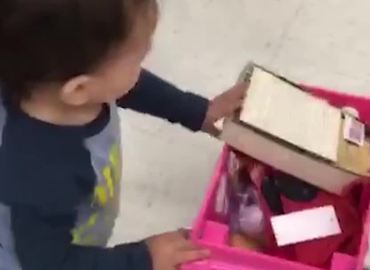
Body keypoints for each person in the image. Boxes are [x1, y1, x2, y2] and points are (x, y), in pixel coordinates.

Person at [0, 0, 246, 269]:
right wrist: (143, 259)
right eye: (139, 58)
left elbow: (127, 86)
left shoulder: (63, 84)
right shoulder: (41, 179)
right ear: (79, 89)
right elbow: (48, 264)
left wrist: (200, 112)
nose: (146, 59)